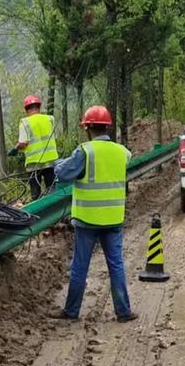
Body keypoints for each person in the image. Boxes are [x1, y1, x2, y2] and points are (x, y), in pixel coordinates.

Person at [49, 105, 138, 322]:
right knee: (116, 265)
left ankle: (71, 311)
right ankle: (124, 312)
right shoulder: (122, 152)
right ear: (108, 126)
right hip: (113, 219)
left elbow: (63, 173)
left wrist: (57, 163)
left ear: (87, 127)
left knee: (80, 266)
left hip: (87, 219)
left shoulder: (85, 151)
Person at [8, 95, 59, 201]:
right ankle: (55, 214)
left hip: (34, 164)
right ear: (39, 107)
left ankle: (39, 216)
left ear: (26, 109)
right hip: (51, 162)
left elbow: (23, 143)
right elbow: (55, 136)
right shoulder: (50, 119)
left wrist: (16, 148)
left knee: (36, 194)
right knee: (52, 191)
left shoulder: (25, 123)